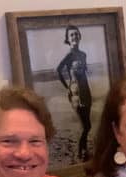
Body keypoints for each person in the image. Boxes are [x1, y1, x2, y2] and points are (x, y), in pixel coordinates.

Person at [57, 24, 92, 161]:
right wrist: (67, 86)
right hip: (76, 94)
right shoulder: (69, 55)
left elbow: (85, 71)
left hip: (86, 91)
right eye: (71, 35)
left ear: (80, 36)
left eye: (76, 34)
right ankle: (80, 152)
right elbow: (58, 70)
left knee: (88, 125)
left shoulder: (84, 54)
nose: (74, 36)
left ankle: (83, 149)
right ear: (67, 38)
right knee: (84, 125)